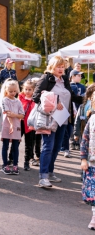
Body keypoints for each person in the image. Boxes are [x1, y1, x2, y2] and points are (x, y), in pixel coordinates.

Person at [32, 56, 82, 188]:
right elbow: (36, 97)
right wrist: (55, 102)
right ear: (51, 67)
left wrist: (88, 98)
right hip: (49, 118)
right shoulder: (46, 78)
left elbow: (72, 97)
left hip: (63, 118)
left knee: (56, 148)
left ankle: (49, 172)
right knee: (48, 147)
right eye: (58, 66)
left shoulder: (65, 79)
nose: (60, 69)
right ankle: (43, 177)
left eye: (62, 67)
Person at [0, 79, 24, 175]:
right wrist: (11, 123)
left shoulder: (18, 102)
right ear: (6, 90)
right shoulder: (4, 100)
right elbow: (8, 113)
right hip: (7, 125)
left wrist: (15, 115)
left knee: (15, 146)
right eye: (11, 91)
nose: (13, 93)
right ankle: (5, 165)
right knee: (5, 145)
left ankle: (15, 165)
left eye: (14, 91)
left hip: (17, 126)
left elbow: (22, 115)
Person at [62, 69, 86, 156]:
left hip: (80, 109)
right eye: (78, 76)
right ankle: (71, 143)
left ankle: (78, 142)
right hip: (70, 110)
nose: (80, 77)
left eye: (80, 76)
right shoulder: (69, 86)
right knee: (69, 128)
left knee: (78, 125)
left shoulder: (83, 86)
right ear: (72, 76)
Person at [80, 91, 95, 230]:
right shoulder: (92, 120)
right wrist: (83, 159)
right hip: (92, 162)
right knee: (94, 193)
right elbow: (84, 141)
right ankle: (94, 217)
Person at [18, 79, 36, 171]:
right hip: (20, 122)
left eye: (30, 89)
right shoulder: (20, 98)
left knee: (29, 145)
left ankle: (26, 162)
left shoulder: (35, 99)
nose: (27, 91)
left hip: (30, 124)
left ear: (33, 90)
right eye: (26, 89)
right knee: (16, 142)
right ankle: (12, 160)